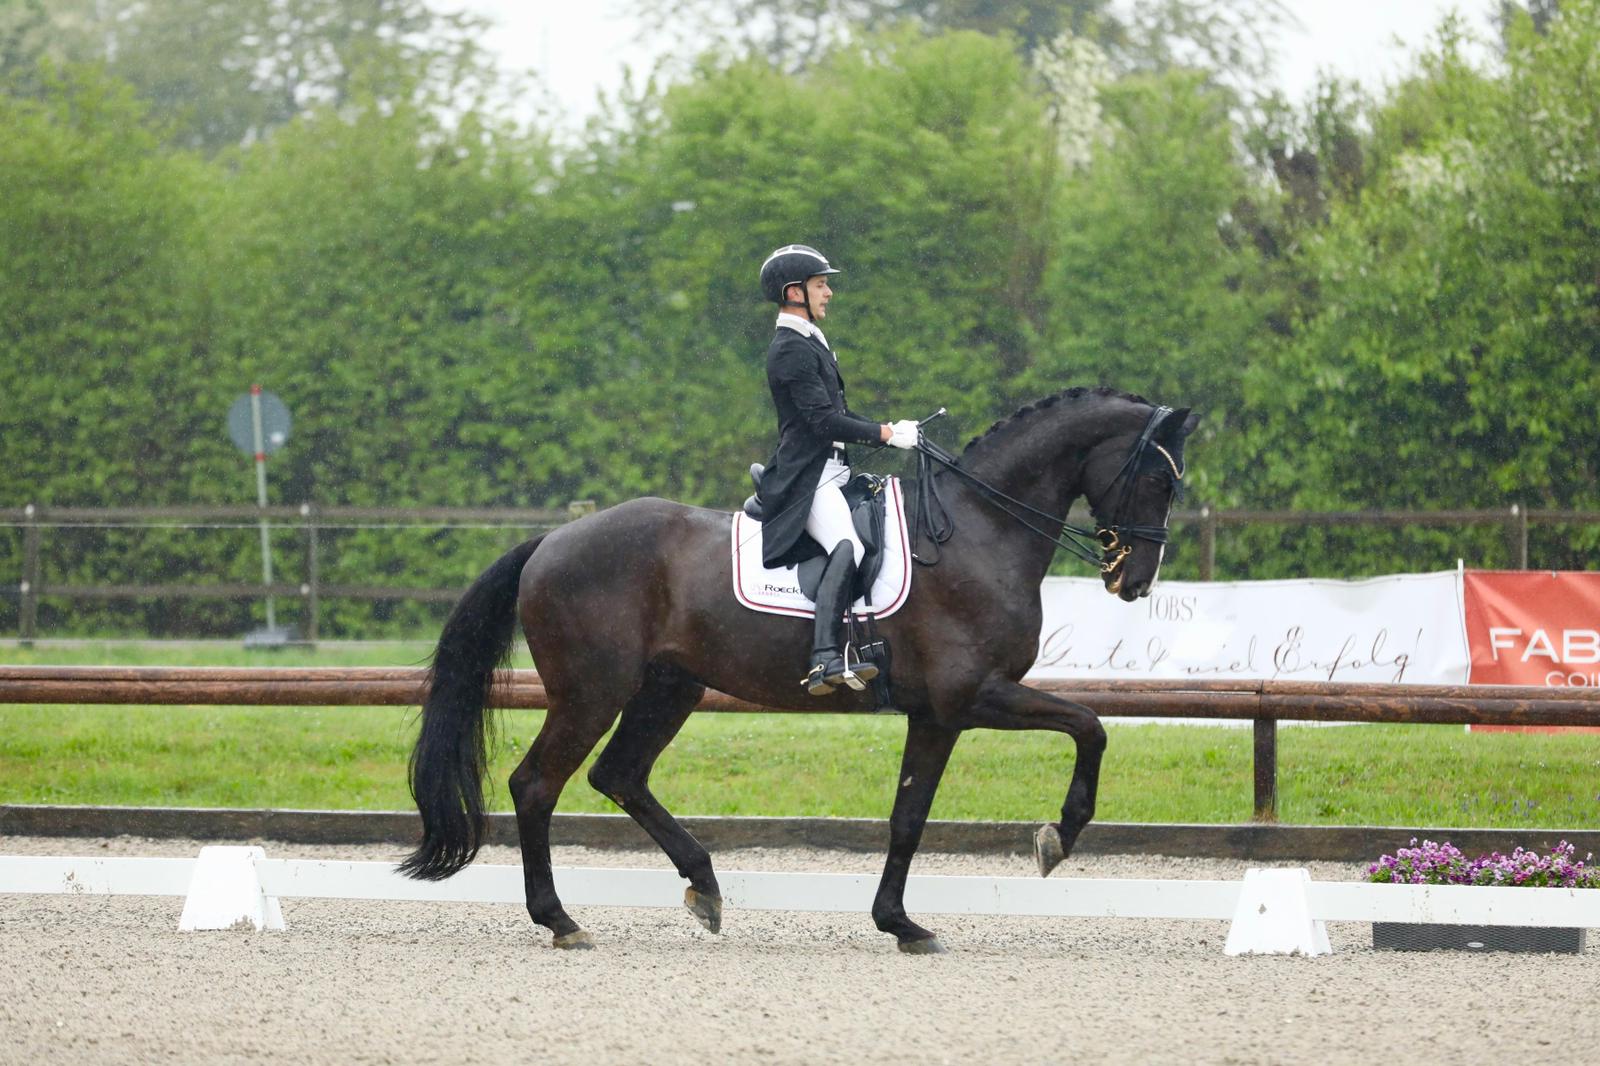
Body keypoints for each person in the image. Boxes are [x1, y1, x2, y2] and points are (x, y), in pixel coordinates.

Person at [754, 244, 919, 695]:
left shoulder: (809, 340)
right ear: (794, 293)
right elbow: (822, 421)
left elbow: (835, 417)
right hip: (807, 478)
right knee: (847, 545)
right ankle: (824, 657)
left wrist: (885, 432)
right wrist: (885, 433)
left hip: (833, 470)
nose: (829, 293)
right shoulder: (790, 348)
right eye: (821, 285)